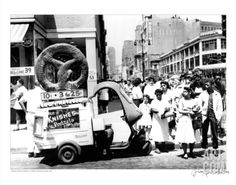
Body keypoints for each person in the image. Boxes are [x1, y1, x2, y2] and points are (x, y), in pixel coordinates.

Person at [19, 81, 44, 157]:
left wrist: (25, 111)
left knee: (30, 133)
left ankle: (30, 151)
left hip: (29, 114)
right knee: (38, 133)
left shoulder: (29, 92)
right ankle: (37, 151)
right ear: (40, 84)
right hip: (38, 113)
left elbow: (20, 101)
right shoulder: (42, 92)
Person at [200, 79, 223, 151]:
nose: (206, 86)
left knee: (214, 132)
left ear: (212, 85)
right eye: (205, 85)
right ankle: (204, 146)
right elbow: (199, 104)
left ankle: (215, 148)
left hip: (213, 114)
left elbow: (220, 106)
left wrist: (219, 117)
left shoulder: (217, 94)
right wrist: (201, 113)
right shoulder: (203, 94)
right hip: (205, 114)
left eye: (208, 85)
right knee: (204, 131)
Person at [175, 87, 196, 159]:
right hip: (183, 119)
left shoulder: (193, 100)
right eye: (183, 92)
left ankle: (191, 152)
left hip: (192, 119)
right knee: (184, 136)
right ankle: (185, 152)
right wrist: (188, 111)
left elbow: (196, 109)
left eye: (185, 92)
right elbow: (180, 110)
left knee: (191, 136)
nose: (184, 93)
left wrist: (193, 111)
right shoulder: (181, 100)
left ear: (189, 92)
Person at [150, 89, 170, 154]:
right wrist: (158, 112)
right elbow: (152, 109)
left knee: (164, 131)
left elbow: (168, 107)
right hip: (156, 119)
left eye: (159, 94)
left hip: (164, 119)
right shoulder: (153, 101)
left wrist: (166, 109)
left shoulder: (165, 100)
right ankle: (157, 147)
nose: (158, 95)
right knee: (157, 132)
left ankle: (163, 147)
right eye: (157, 94)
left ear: (162, 94)